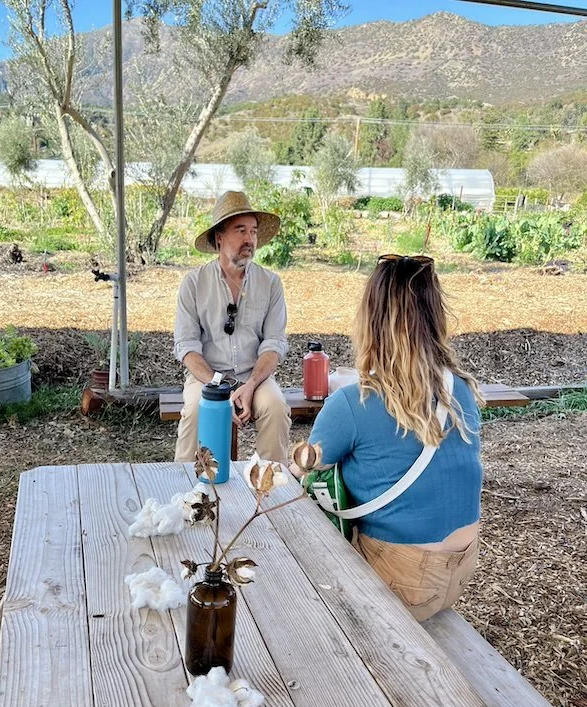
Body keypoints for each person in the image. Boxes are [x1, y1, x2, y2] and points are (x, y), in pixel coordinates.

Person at [304, 254, 483, 622]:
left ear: (371, 319)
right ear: (436, 316)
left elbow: (305, 467)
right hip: (461, 568)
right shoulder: (461, 389)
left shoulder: (354, 402)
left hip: (402, 581)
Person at [173, 191, 291, 465]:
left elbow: (274, 343)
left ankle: (269, 492)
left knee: (275, 408)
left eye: (253, 231)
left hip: (255, 376)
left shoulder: (270, 283)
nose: (250, 239)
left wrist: (249, 385)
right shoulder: (194, 284)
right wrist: (219, 386)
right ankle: (182, 489)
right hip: (207, 377)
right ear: (219, 237)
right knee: (195, 410)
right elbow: (186, 346)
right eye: (241, 231)